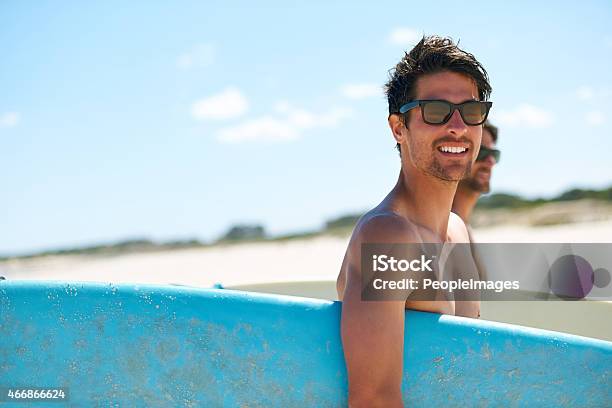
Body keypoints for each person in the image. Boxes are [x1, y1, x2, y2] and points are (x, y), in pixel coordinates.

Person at [335, 36, 492, 407]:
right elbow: (374, 399)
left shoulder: (456, 230)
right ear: (398, 128)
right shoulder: (389, 235)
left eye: (471, 111)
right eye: (436, 111)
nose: (457, 126)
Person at [452, 121, 500, 225]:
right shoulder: (441, 230)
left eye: (494, 154)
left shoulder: (462, 227)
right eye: (480, 152)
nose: (491, 162)